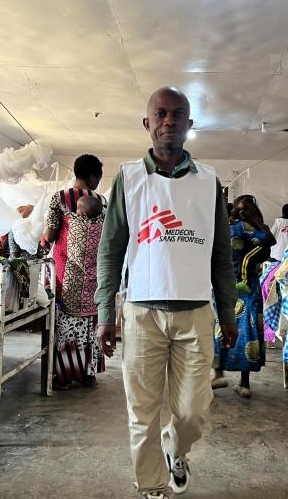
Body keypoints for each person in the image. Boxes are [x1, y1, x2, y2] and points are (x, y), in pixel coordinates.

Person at [95, 86, 237, 499]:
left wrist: (227, 311)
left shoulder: (209, 182)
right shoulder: (129, 178)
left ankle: (177, 447)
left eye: (178, 115)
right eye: (160, 114)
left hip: (195, 313)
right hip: (142, 313)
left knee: (193, 412)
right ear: (147, 123)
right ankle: (152, 487)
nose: (169, 121)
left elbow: (221, 253)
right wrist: (107, 312)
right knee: (142, 413)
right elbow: (111, 249)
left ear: (189, 125)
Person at [43, 154, 107, 389]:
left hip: (67, 272)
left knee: (68, 322)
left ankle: (66, 375)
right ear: (92, 177)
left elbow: (49, 235)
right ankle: (88, 373)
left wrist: (44, 239)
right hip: (95, 273)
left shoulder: (59, 199)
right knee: (91, 321)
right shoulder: (102, 201)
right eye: (98, 178)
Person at [212, 195, 275, 397]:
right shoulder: (256, 229)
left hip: (224, 284)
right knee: (248, 330)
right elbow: (268, 241)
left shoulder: (227, 227)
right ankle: (244, 383)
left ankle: (218, 373)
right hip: (249, 287)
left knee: (220, 325)